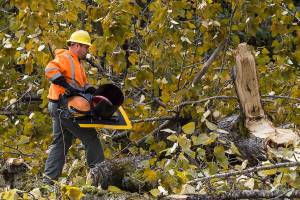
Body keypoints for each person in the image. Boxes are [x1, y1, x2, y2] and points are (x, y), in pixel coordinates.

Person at [43, 30, 104, 184]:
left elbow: (82, 85)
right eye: (86, 47)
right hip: (64, 106)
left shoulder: (77, 62)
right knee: (91, 138)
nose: (87, 50)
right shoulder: (65, 57)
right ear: (77, 45)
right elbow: (49, 70)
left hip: (59, 106)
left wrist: (91, 89)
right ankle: (99, 180)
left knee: (61, 143)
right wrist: (65, 84)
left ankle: (48, 182)